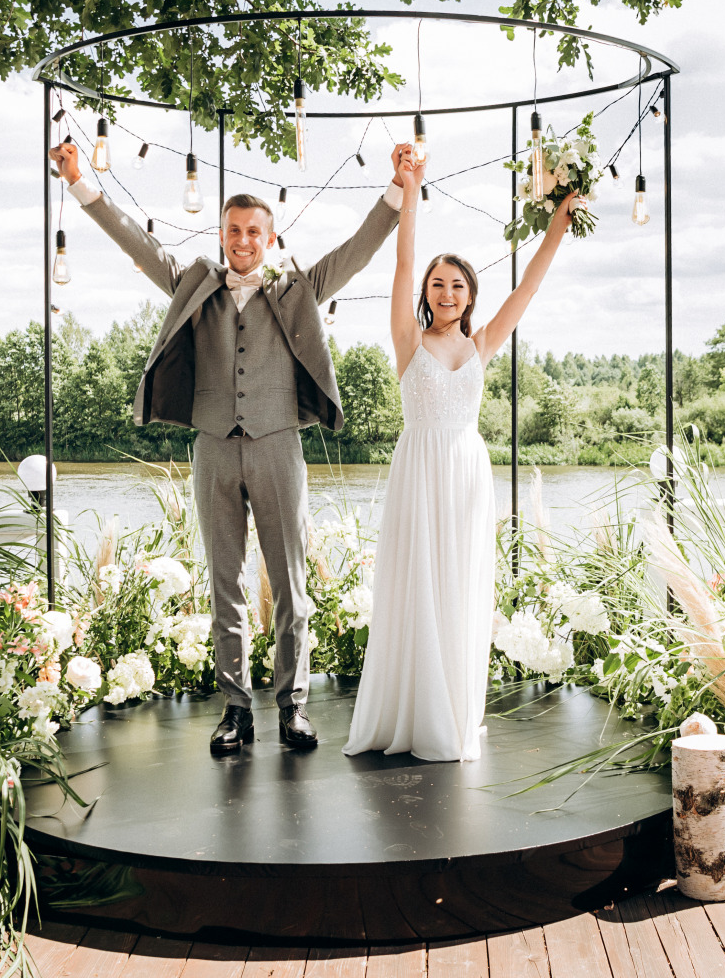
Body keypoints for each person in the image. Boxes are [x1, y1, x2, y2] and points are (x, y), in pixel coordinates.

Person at [48, 139, 406, 754]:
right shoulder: (195, 282)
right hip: (213, 446)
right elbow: (138, 241)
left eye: (253, 232)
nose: (242, 240)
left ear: (269, 238)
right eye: (233, 230)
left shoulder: (299, 287)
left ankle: (292, 705)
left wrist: (397, 188)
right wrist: (80, 182)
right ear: (221, 234)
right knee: (224, 582)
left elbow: (357, 251)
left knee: (292, 583)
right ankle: (236, 710)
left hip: (277, 446)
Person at [344, 153, 581, 762]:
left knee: (460, 587)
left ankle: (452, 708)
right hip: (419, 467)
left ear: (471, 294)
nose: (447, 292)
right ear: (426, 292)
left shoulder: (481, 344)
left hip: (468, 473)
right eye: (437, 283)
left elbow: (529, 287)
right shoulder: (407, 338)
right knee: (418, 581)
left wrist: (558, 222)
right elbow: (401, 260)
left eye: (458, 284)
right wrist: (411, 190)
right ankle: (412, 714)